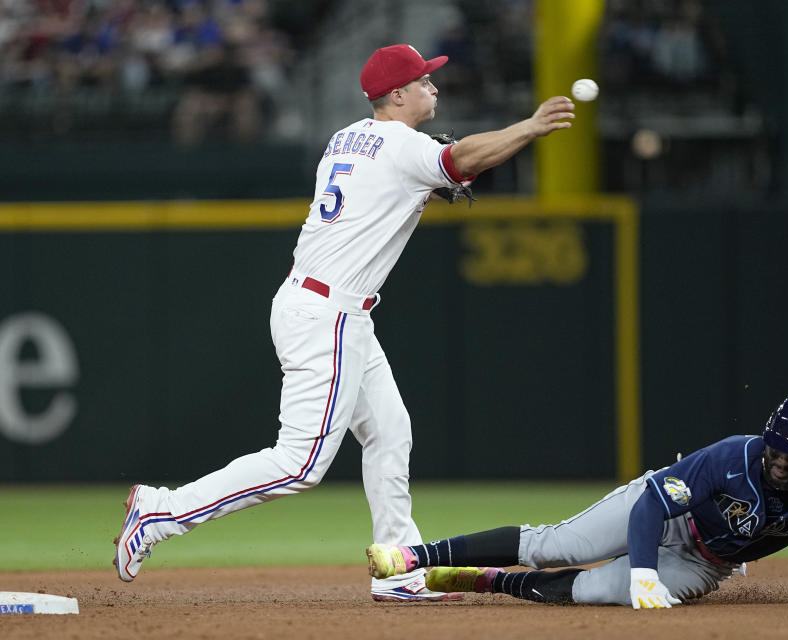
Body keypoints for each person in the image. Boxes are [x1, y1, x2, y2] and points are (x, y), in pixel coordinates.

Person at [113, 43, 575, 602]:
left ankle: (399, 567)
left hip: (323, 306)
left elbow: (424, 173)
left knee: (389, 430)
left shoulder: (347, 137)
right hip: (326, 313)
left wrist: (439, 176)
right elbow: (462, 161)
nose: (434, 87)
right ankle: (161, 512)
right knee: (300, 463)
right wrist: (527, 127)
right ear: (398, 95)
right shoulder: (404, 146)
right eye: (425, 81)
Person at [366, 394, 788, 607]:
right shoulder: (731, 455)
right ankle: (416, 558)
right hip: (665, 514)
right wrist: (645, 572)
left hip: (704, 561)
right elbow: (653, 504)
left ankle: (487, 581)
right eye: (775, 452)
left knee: (599, 590)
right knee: (560, 545)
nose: (780, 464)